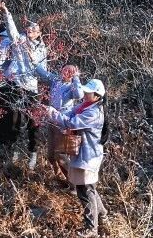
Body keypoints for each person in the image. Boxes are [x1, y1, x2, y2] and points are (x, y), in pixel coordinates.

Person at [0, 2, 56, 170]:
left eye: (33, 29)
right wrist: (6, 12)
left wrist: (35, 63)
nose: (29, 30)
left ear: (39, 33)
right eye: (28, 28)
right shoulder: (19, 41)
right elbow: (11, 31)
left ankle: (33, 152)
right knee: (13, 120)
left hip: (31, 87)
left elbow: (43, 72)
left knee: (34, 122)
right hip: (16, 85)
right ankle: (13, 151)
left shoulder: (42, 49)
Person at [44, 78, 108, 238]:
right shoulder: (85, 106)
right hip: (84, 156)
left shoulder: (93, 112)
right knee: (89, 189)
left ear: (97, 96)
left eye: (88, 92)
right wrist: (54, 113)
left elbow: (71, 123)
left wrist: (52, 113)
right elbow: (69, 114)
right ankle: (103, 216)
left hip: (88, 157)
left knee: (85, 191)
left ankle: (91, 228)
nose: (85, 94)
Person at [47, 64, 83, 182]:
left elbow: (79, 95)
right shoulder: (55, 81)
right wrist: (31, 57)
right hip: (51, 121)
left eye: (70, 72)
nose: (66, 73)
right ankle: (59, 178)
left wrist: (76, 78)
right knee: (51, 156)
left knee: (61, 155)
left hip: (64, 123)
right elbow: (40, 72)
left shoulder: (72, 86)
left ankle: (73, 182)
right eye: (65, 70)